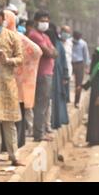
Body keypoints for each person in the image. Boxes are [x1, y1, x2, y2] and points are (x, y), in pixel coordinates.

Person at [0, 9, 24, 166]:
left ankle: (13, 156)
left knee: (9, 122)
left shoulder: (12, 36)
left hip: (7, 84)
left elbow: (20, 58)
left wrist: (7, 60)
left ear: (3, 20)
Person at [4, 10, 41, 146]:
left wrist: (23, 67)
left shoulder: (17, 37)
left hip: (16, 82)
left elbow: (37, 51)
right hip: (4, 82)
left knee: (15, 114)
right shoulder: (0, 36)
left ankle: (15, 143)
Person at [28, 10, 57, 142]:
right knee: (41, 104)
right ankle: (39, 134)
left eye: (47, 21)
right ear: (36, 21)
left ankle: (42, 131)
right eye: (42, 21)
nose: (45, 23)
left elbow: (54, 52)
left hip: (48, 73)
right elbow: (49, 53)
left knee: (44, 104)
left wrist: (51, 51)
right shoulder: (35, 35)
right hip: (42, 73)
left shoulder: (45, 36)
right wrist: (50, 51)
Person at [46, 23, 69, 130]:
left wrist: (65, 76)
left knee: (56, 99)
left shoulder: (59, 45)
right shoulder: (44, 43)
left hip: (57, 77)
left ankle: (55, 121)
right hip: (46, 75)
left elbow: (64, 62)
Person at [72, 31, 91, 108]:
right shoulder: (69, 42)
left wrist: (87, 67)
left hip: (79, 64)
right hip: (70, 63)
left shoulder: (83, 43)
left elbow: (86, 55)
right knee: (65, 81)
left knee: (78, 84)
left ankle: (77, 101)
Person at [60, 25, 73, 103]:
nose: (66, 34)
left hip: (68, 67)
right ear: (61, 32)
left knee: (66, 86)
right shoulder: (58, 42)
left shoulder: (69, 42)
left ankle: (66, 100)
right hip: (60, 68)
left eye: (68, 32)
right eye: (65, 32)